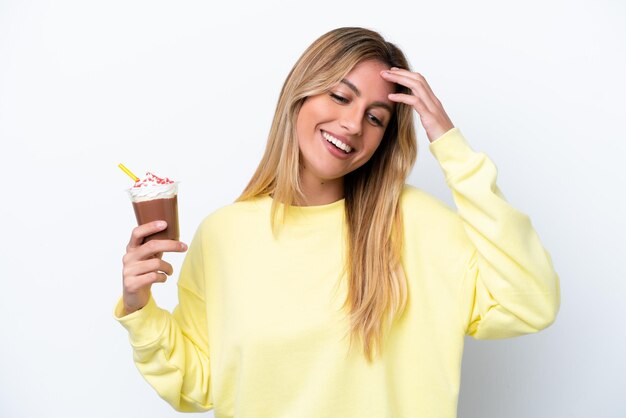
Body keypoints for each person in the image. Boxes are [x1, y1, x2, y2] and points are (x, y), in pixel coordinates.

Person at [115, 27, 560, 418]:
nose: (351, 124)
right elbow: (199, 386)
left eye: (375, 118)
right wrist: (140, 307)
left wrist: (451, 147)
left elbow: (530, 303)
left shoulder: (417, 224)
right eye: (341, 96)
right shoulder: (223, 235)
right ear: (300, 93)